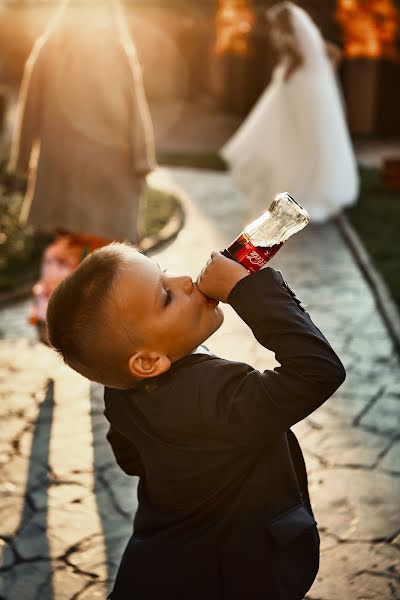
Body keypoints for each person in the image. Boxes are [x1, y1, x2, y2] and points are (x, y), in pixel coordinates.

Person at [46, 242, 346, 600]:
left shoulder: (121, 392)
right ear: (147, 361)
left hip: (162, 566)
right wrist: (247, 290)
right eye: (165, 297)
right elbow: (316, 371)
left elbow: (130, 457)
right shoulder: (216, 398)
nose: (186, 281)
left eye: (165, 273)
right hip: (235, 574)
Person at [8, 0, 156, 333]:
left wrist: (21, 162)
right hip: (111, 170)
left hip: (66, 170)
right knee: (111, 252)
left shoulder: (50, 47)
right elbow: (136, 108)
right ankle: (108, 321)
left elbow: (29, 108)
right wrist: (141, 157)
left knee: (66, 248)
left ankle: (50, 317)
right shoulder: (117, 49)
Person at [221, 1, 359, 223]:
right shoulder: (311, 36)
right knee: (307, 136)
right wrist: (325, 75)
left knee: (288, 133)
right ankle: (304, 186)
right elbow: (335, 53)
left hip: (298, 88)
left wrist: (287, 76)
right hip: (313, 88)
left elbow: (298, 58)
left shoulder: (289, 37)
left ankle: (295, 185)